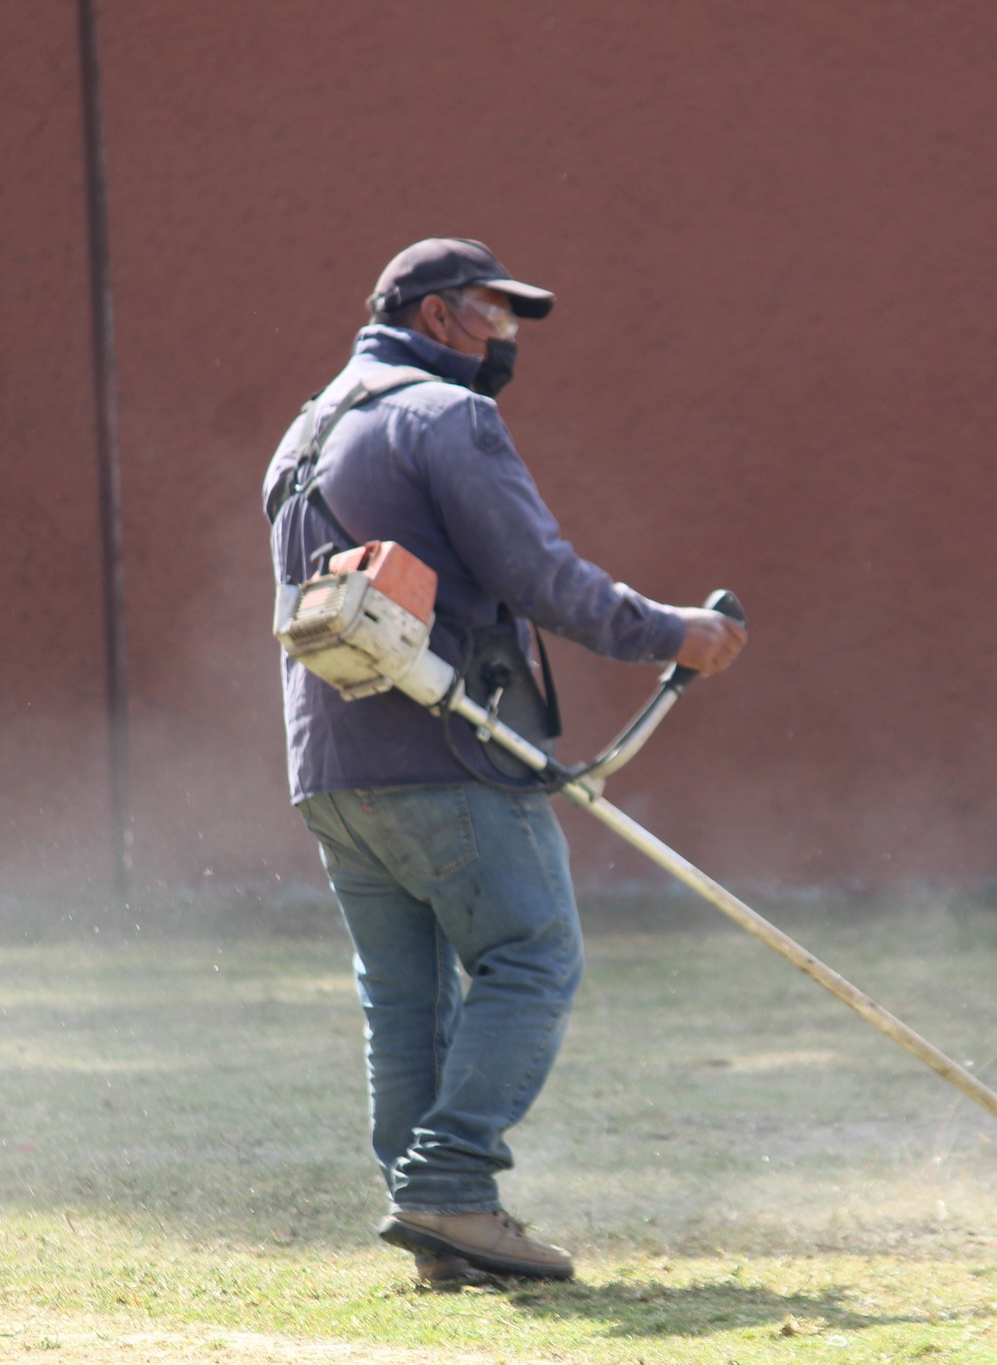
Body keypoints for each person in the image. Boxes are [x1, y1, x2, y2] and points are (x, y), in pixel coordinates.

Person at [265, 238, 746, 1288]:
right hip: (446, 751)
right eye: (493, 316)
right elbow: (537, 576)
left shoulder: (306, 429)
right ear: (436, 317)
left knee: (403, 999)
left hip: (332, 768)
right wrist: (672, 632)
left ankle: (436, 1221)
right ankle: (452, 1187)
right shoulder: (447, 417)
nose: (505, 340)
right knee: (531, 955)